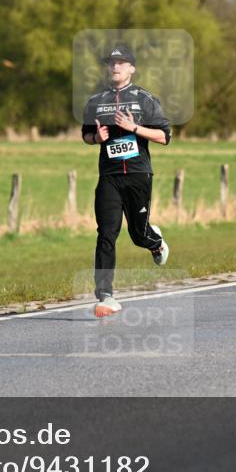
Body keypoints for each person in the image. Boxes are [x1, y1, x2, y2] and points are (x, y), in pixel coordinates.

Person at [81, 44, 171, 318]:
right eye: (112, 63)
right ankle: (106, 296)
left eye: (121, 62)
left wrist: (135, 128)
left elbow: (165, 137)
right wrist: (97, 138)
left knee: (137, 235)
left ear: (132, 68)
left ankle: (154, 241)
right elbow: (85, 134)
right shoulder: (97, 101)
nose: (115, 66)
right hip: (109, 177)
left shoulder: (145, 99)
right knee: (106, 232)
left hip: (137, 175)